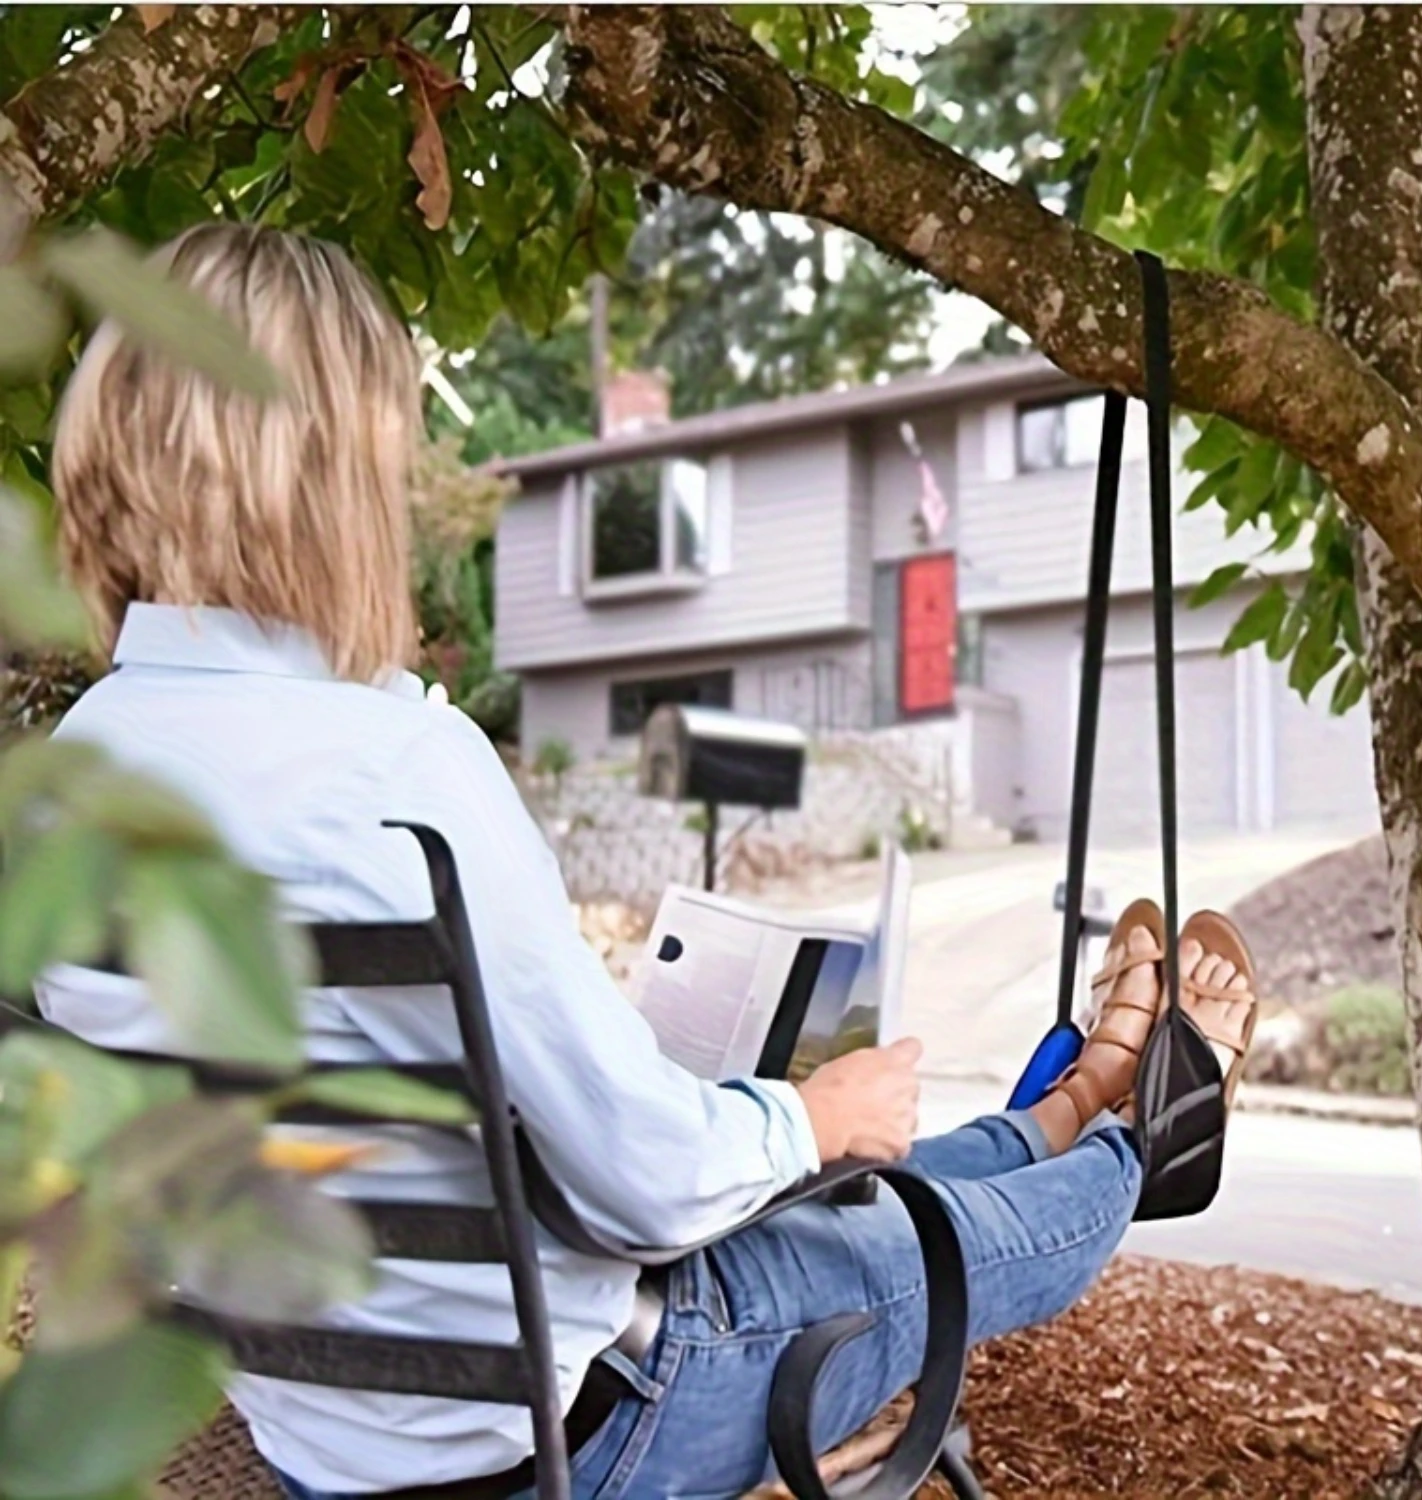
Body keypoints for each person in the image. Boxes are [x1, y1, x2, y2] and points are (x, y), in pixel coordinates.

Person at [40, 223, 1259, 1500]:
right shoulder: (397, 764)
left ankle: (1069, 1101)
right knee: (929, 1225)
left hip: (329, 1445)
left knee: (863, 1185)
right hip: (599, 1420)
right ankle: (1146, 1134)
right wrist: (815, 1116)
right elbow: (650, 1187)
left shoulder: (66, 785)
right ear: (330, 477)